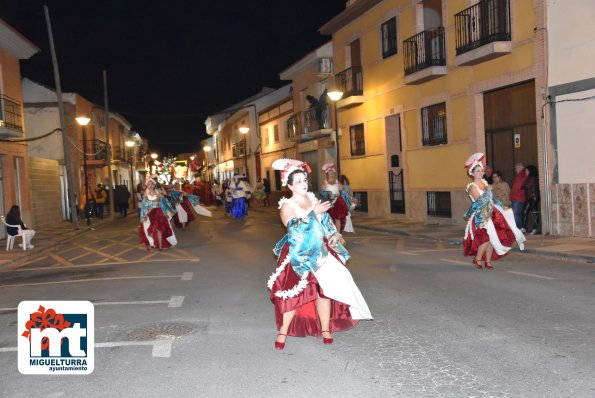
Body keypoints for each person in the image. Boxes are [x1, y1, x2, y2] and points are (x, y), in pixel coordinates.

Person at [268, 158, 372, 350]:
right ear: (289, 185)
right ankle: (283, 331)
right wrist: (312, 214)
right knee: (295, 294)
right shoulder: (287, 205)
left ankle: (325, 329)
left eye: (304, 180)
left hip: (322, 251)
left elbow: (326, 223)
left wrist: (333, 234)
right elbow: (293, 229)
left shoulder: (313, 199)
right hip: (299, 254)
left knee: (323, 291)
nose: (303, 184)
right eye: (298, 181)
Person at [463, 153, 525, 270]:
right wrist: (488, 191)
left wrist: (501, 205)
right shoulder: (472, 187)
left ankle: (488, 261)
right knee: (487, 237)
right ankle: (478, 258)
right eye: (478, 171)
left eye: (482, 171)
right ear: (472, 173)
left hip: (492, 212)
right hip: (481, 215)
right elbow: (480, 200)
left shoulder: (485, 183)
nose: (481, 173)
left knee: (493, 236)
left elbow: (492, 198)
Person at [139, 176, 177, 251]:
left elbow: (164, 199)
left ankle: (160, 245)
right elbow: (143, 203)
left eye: (152, 184)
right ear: (147, 185)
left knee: (159, 229)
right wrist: (153, 201)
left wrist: (161, 197)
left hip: (158, 213)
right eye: (149, 184)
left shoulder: (157, 191)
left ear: (154, 185)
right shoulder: (146, 192)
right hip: (149, 213)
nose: (150, 186)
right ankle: (151, 244)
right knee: (149, 230)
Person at [320, 163, 349, 233]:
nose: (332, 175)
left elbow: (343, 190)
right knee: (330, 220)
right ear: (327, 174)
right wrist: (327, 193)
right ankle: (331, 234)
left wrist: (345, 194)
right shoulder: (324, 183)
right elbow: (321, 193)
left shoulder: (337, 181)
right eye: (330, 173)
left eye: (333, 173)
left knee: (338, 219)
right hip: (329, 204)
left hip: (338, 203)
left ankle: (338, 237)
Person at [523, 165, 540, 234]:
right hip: (529, 197)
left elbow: (527, 186)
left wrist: (524, 185)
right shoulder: (529, 178)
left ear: (530, 171)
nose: (525, 172)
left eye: (526, 170)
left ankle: (535, 228)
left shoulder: (532, 178)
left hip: (533, 197)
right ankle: (524, 227)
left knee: (534, 212)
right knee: (525, 211)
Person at [510, 163, 528, 230]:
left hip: (518, 198)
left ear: (520, 168)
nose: (515, 170)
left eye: (516, 168)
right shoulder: (519, 176)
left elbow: (519, 187)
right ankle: (518, 228)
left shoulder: (523, 175)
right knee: (516, 214)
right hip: (515, 198)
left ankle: (518, 228)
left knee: (516, 214)